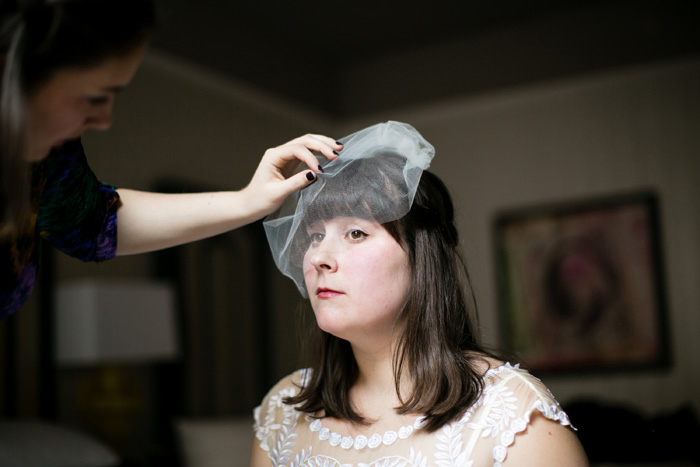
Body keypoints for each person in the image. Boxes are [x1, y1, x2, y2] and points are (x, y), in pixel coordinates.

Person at [252, 121, 589, 465]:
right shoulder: (282, 410)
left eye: (355, 233)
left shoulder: (511, 414)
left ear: (421, 256)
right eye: (314, 236)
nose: (319, 258)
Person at [0, 0, 342, 318]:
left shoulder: (49, 161)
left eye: (356, 234)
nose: (103, 121)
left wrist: (247, 201)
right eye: (93, 98)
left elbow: (91, 221)